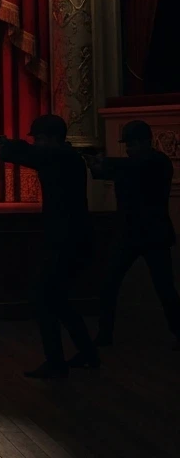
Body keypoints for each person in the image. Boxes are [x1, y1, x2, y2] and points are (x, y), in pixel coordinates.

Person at [0, 114, 98, 378]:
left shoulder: (60, 157)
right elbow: (32, 153)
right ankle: (86, 353)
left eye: (38, 139)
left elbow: (28, 155)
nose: (35, 143)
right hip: (71, 238)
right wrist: (7, 146)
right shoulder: (67, 157)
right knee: (57, 300)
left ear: (50, 139)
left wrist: (3, 148)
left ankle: (57, 362)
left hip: (65, 240)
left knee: (43, 298)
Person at [89, 119, 180, 349]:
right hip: (139, 233)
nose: (129, 148)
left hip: (147, 234)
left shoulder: (156, 162)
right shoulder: (137, 164)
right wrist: (94, 163)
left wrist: (102, 161)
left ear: (146, 142)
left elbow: (134, 166)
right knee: (111, 283)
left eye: (133, 144)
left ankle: (105, 334)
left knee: (164, 288)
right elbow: (104, 173)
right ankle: (104, 334)